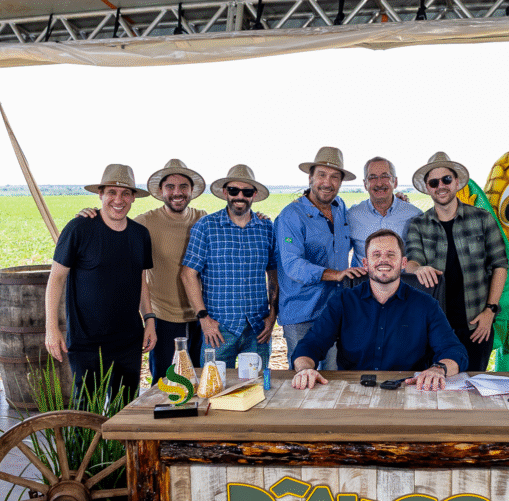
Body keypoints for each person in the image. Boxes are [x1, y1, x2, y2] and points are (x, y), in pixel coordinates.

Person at [76, 159, 208, 384]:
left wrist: (260, 217)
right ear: (160, 191)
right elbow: (114, 224)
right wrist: (90, 218)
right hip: (164, 317)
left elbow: (231, 227)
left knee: (201, 381)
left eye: (183, 187)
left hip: (201, 316)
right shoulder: (146, 222)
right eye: (170, 187)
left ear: (192, 191)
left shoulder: (203, 218)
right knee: (166, 384)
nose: (177, 192)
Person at [291, 229, 467, 391]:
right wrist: (305, 370)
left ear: (403, 262)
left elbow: (454, 351)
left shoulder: (426, 305)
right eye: (376, 255)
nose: (384, 260)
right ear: (366, 263)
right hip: (353, 391)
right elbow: (310, 345)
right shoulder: (343, 302)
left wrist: (438, 369)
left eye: (391, 254)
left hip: (408, 390)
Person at [44, 163, 156, 403]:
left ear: (133, 198)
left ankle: (121, 444)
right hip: (87, 343)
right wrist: (51, 329)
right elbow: (56, 279)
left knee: (124, 409)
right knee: (85, 411)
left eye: (126, 193)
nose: (119, 199)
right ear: (100, 195)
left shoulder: (139, 234)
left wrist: (149, 319)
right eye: (112, 193)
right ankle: (85, 443)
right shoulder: (79, 229)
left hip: (128, 342)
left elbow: (141, 280)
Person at [405, 152, 508, 372]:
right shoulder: (418, 224)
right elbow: (411, 263)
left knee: (474, 385)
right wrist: (419, 268)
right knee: (436, 386)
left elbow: (500, 265)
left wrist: (490, 312)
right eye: (434, 182)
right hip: (435, 327)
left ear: (457, 182)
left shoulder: (482, 218)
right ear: (427, 187)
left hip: (476, 324)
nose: (440, 186)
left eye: (446, 179)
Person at [275, 146, 365, 369]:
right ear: (310, 177)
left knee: (334, 373)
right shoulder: (290, 216)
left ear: (341, 182)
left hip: (335, 308)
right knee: (304, 374)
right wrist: (336, 275)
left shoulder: (340, 207)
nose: (328, 182)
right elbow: (292, 265)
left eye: (335, 177)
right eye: (322, 175)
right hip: (301, 312)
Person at [181, 164, 278, 369]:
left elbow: (274, 275)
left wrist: (272, 317)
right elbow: (188, 274)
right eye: (234, 191)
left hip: (257, 329)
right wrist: (204, 319)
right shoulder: (206, 226)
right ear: (225, 192)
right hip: (217, 329)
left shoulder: (267, 229)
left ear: (254, 195)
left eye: (247, 191)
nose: (239, 196)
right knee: (213, 388)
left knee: (257, 390)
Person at [348, 156, 422, 264]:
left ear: (395, 182)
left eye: (385, 176)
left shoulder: (415, 215)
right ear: (365, 184)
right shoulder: (351, 215)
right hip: (363, 280)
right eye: (372, 177)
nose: (379, 183)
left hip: (402, 280)